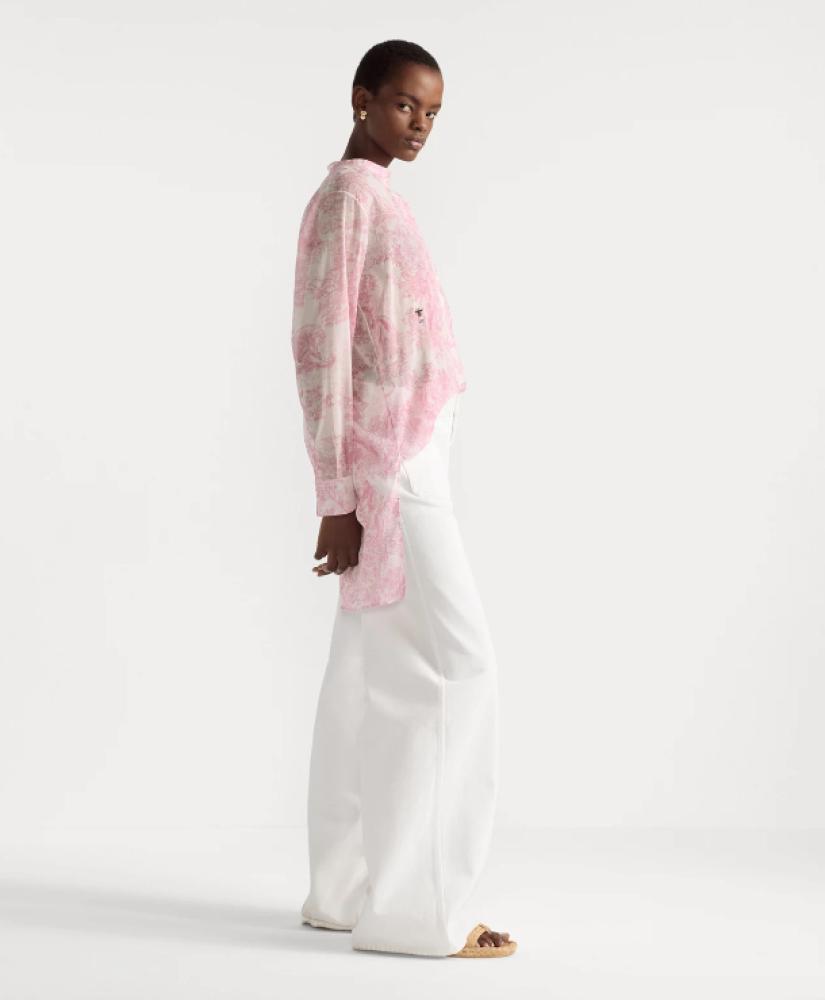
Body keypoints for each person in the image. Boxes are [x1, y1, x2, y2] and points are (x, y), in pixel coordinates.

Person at [290, 39, 516, 959]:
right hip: (391, 469)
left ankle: (342, 894)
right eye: (402, 105)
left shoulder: (379, 194)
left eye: (431, 112)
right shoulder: (350, 196)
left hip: (409, 454)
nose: (418, 124)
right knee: (459, 667)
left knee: (362, 675)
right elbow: (320, 347)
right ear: (361, 99)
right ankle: (422, 915)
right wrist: (338, 493)